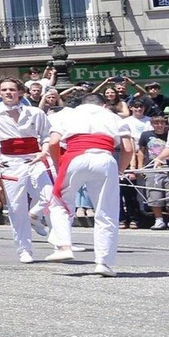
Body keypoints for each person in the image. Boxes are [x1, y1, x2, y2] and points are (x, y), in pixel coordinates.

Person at [44, 94, 132, 275]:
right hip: (105, 158)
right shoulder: (114, 117)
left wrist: (58, 164)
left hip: (74, 156)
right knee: (106, 211)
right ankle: (104, 263)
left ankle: (63, 245)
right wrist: (120, 170)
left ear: (81, 104)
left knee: (59, 202)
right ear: (104, 104)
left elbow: (53, 142)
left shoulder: (65, 115)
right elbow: (129, 148)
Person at [0, 77, 54, 263]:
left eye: (12, 89)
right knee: (16, 207)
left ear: (20, 92)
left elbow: (46, 135)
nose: (8, 93)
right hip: (9, 163)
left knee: (50, 196)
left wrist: (44, 152)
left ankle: (34, 216)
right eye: (4, 90)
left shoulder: (35, 113)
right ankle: (24, 249)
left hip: (34, 159)